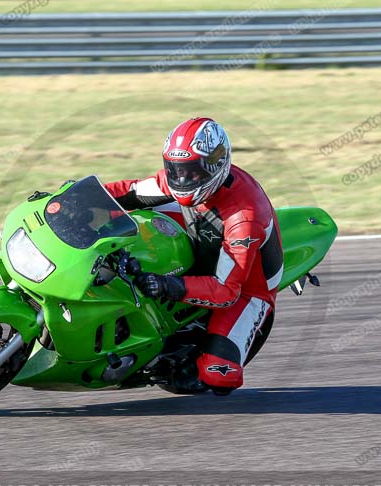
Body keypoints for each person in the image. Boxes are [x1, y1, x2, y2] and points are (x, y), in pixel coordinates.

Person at [104, 117, 284, 395]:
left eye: (192, 173)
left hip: (247, 287)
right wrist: (78, 198)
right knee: (125, 217)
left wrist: (168, 285)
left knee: (218, 376)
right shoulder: (183, 180)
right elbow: (132, 190)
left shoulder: (243, 218)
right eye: (176, 170)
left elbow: (227, 291)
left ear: (214, 167)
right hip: (201, 233)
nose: (182, 179)